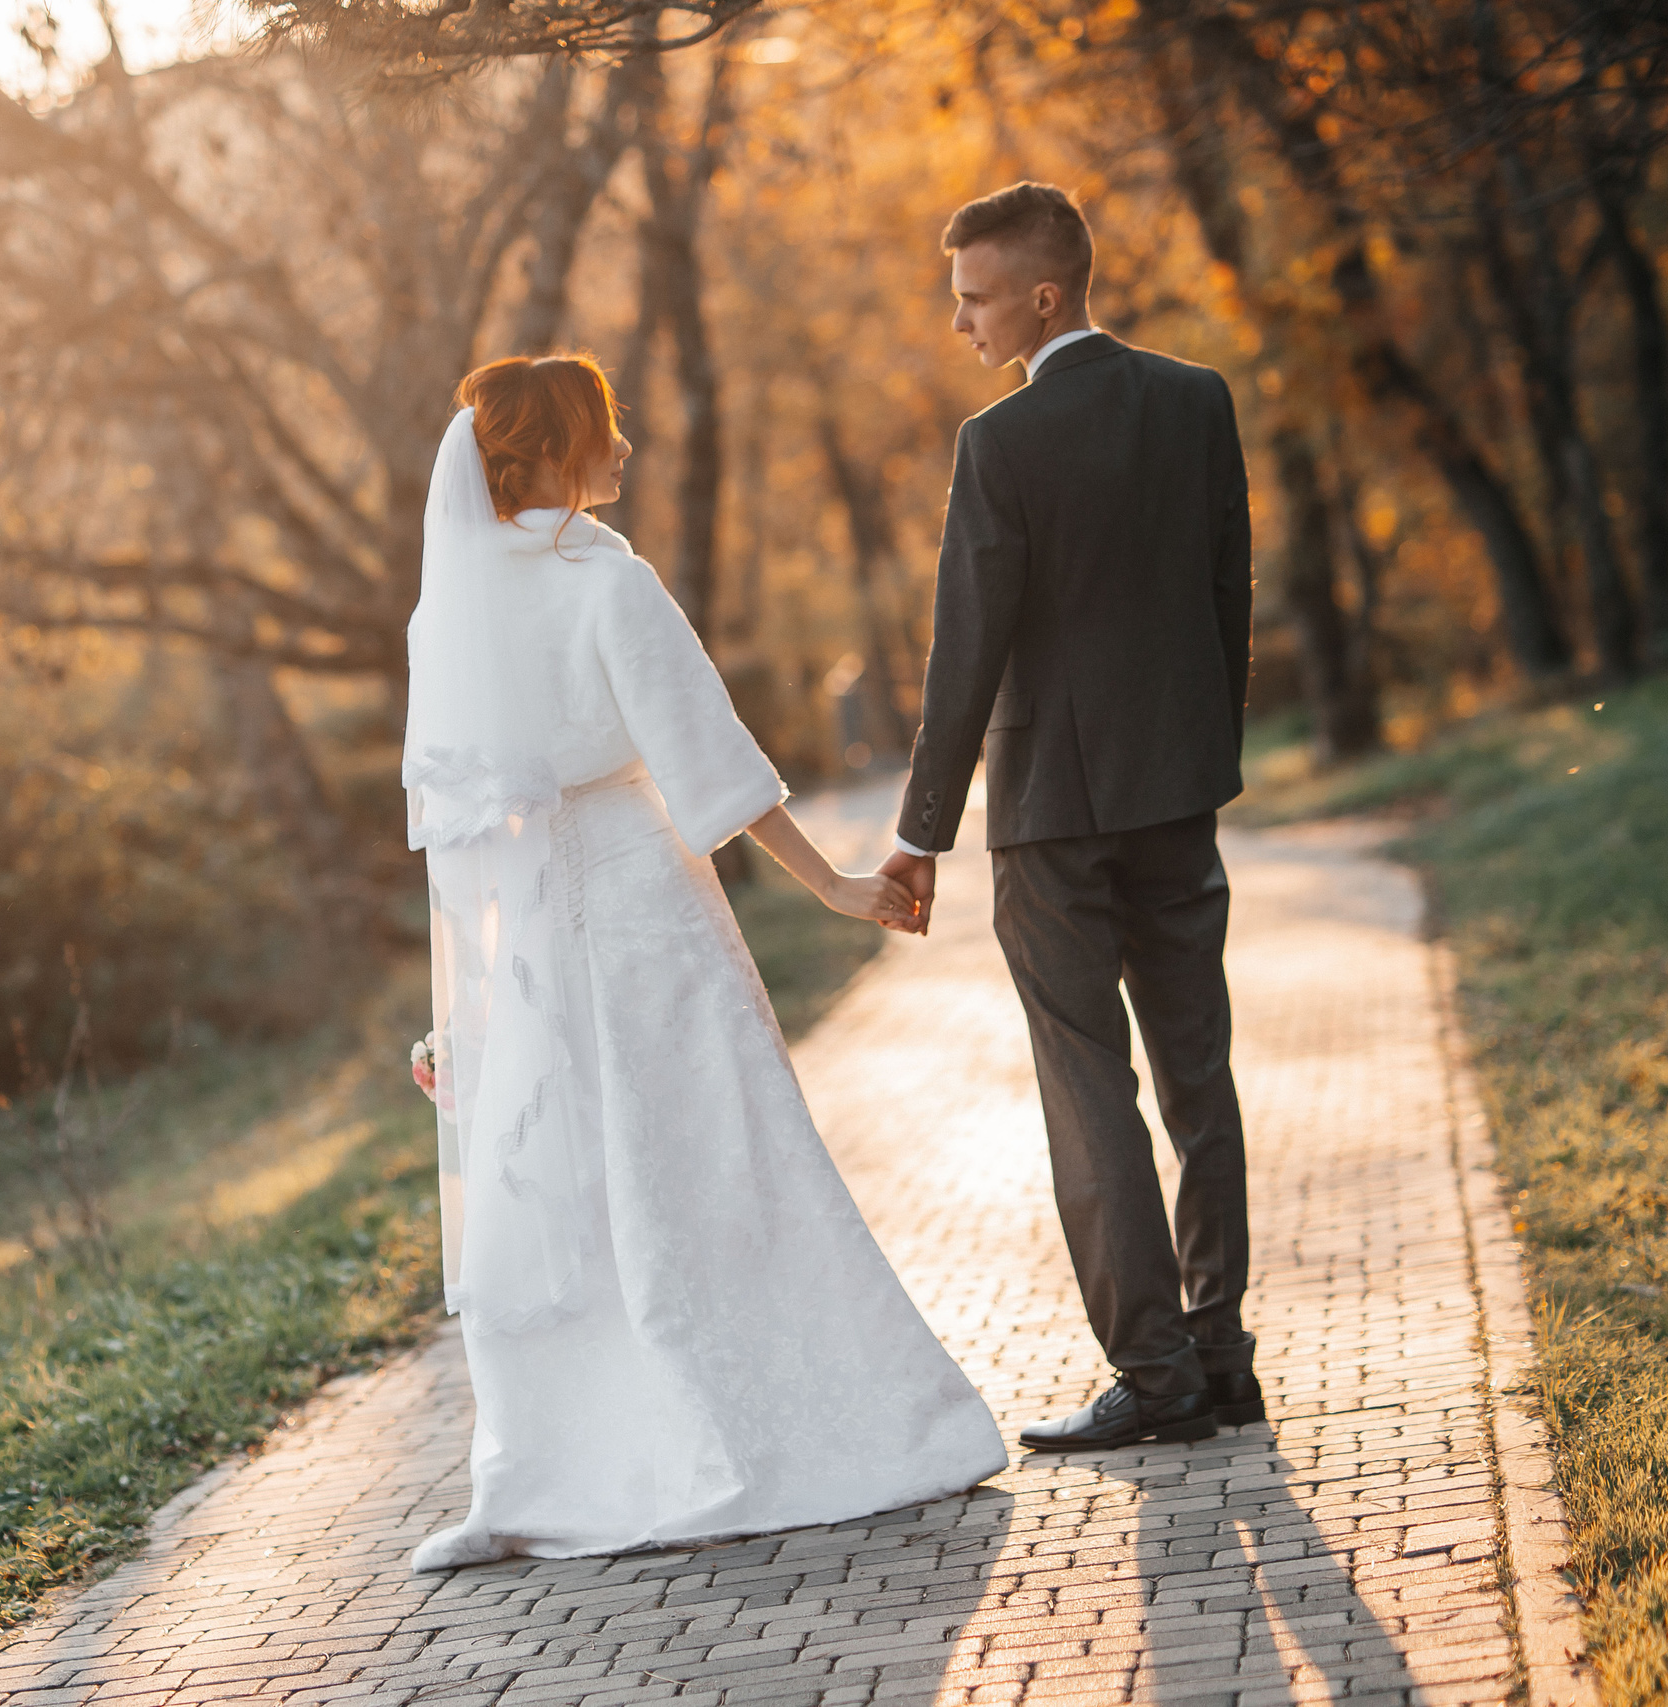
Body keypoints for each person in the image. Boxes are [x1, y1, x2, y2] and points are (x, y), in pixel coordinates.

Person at [404, 354, 1007, 1571]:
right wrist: (834, 882)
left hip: (523, 930)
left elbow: (455, 829)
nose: (626, 447)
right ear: (563, 449)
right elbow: (705, 762)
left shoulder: (450, 606)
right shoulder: (604, 581)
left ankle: (544, 1470)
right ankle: (804, 1432)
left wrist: (465, 1012)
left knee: (561, 1187)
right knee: (719, 1164)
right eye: (608, 430)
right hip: (637, 900)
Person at [877, 182, 1263, 1452]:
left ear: (1045, 293)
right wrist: (1205, 752)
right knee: (1197, 1073)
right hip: (1175, 794)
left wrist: (920, 831)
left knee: (1087, 1086)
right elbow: (1226, 592)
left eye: (975, 299)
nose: (961, 325)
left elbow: (965, 647)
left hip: (1047, 814)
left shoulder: (1000, 445)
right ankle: (1220, 1353)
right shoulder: (1196, 402)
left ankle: (1157, 1384)